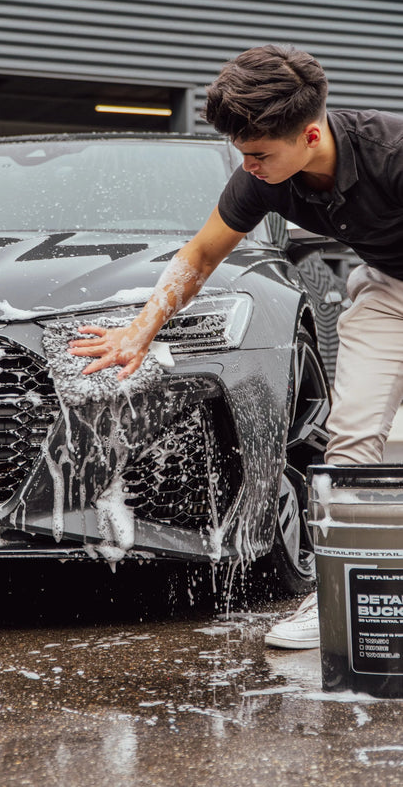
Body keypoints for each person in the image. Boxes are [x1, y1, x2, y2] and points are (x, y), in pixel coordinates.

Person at [69, 43, 403, 649]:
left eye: (258, 154)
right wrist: (139, 332)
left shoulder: (393, 152)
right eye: (242, 153)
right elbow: (199, 255)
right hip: (390, 291)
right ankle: (335, 598)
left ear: (308, 135)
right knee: (351, 440)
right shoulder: (265, 177)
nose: (247, 165)